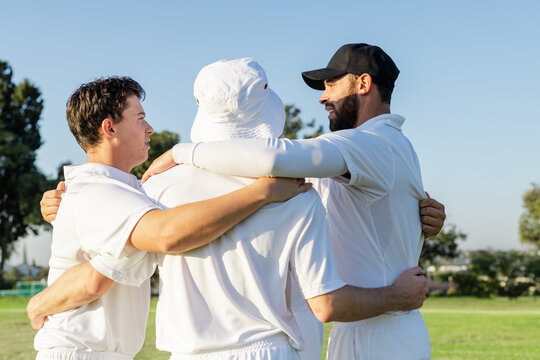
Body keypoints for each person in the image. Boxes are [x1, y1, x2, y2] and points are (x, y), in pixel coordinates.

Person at [37, 58, 435, 359]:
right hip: (272, 350)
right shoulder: (298, 191)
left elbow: (117, 255)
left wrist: (67, 212)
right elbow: (325, 303)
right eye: (141, 118)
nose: (150, 128)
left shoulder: (154, 191)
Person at [143, 44, 443, 359]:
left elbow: (273, 157)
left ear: (363, 84)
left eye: (332, 85)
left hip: (380, 332)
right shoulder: (368, 152)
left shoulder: (370, 143)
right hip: (368, 327)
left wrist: (182, 152)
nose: (323, 97)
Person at [27, 76, 310, 360]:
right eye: (140, 119)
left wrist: (181, 154)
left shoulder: (118, 192)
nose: (150, 129)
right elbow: (166, 234)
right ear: (109, 128)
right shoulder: (100, 191)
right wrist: (262, 191)